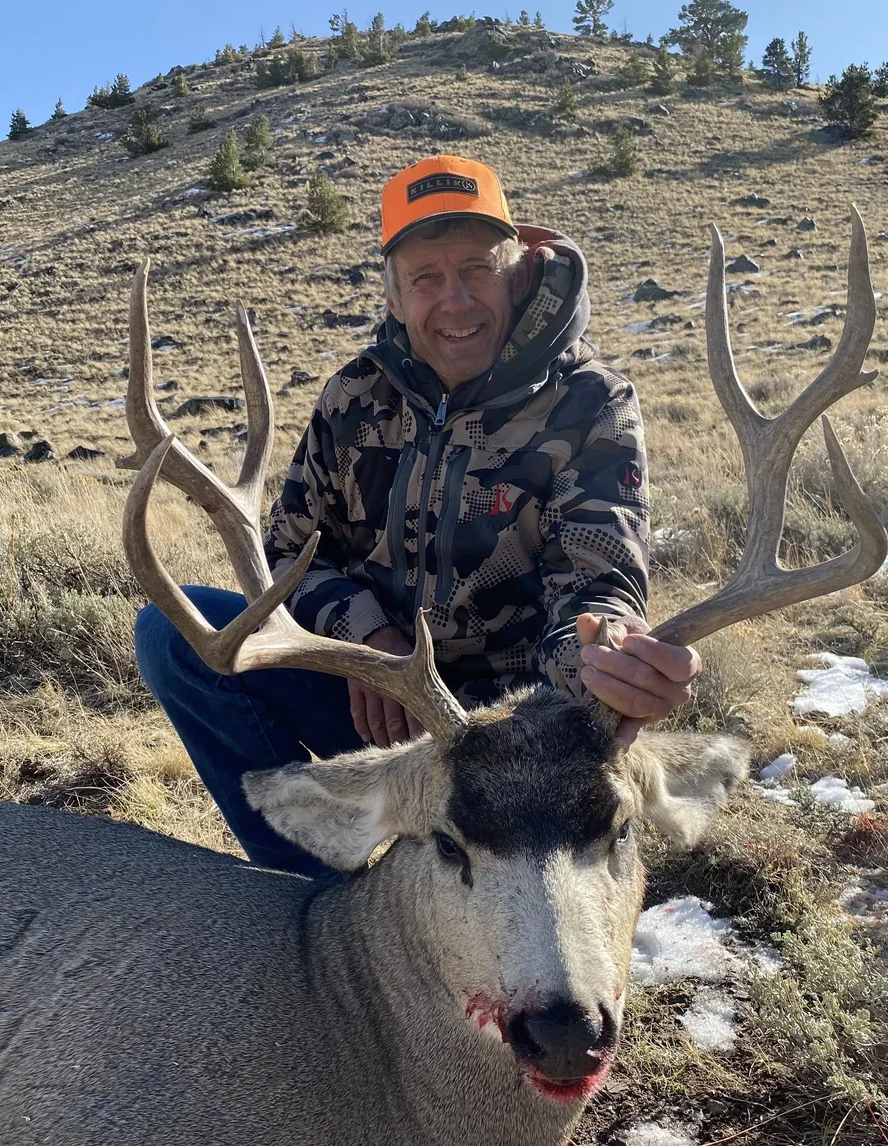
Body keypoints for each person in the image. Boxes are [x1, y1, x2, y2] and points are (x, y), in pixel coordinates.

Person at [135, 154, 701, 877]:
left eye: (476, 269)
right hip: (380, 701)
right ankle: (310, 895)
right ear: (396, 296)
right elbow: (282, 557)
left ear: (518, 270)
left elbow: (597, 582)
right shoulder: (353, 398)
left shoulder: (591, 403)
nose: (456, 302)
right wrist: (366, 641)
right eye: (427, 278)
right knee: (175, 636)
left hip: (519, 731)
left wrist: (610, 660)